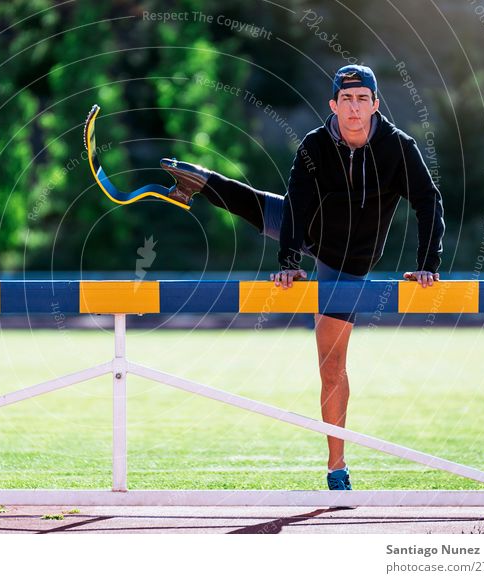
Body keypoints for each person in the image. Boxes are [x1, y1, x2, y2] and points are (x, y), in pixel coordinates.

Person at [159, 65, 445, 490]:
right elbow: (297, 202)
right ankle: (199, 182)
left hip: (346, 260)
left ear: (375, 105)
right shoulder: (314, 145)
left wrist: (428, 263)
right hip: (309, 226)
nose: (354, 107)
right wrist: (289, 259)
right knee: (261, 206)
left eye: (362, 99)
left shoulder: (397, 148)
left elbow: (428, 200)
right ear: (333, 104)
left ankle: (336, 467)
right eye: (346, 99)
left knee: (331, 368)